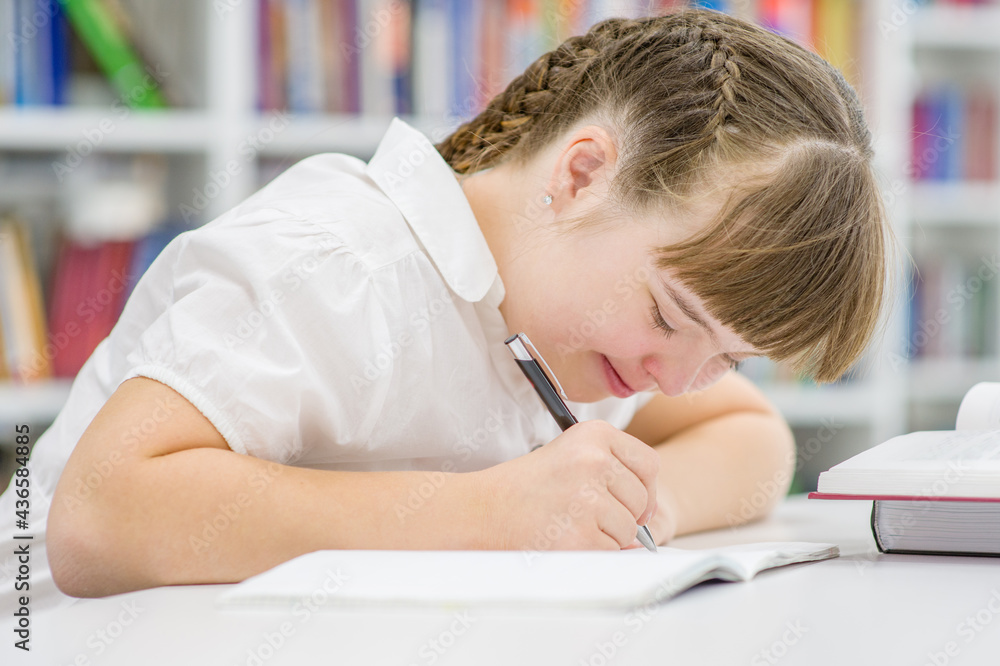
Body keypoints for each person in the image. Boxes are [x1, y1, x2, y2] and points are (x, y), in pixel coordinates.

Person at [0, 8, 895, 608]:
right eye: (669, 316)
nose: (682, 376)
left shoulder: (577, 320)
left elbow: (753, 439)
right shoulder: (336, 263)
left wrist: (622, 512)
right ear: (582, 174)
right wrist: (495, 513)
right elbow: (99, 516)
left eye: (729, 356)